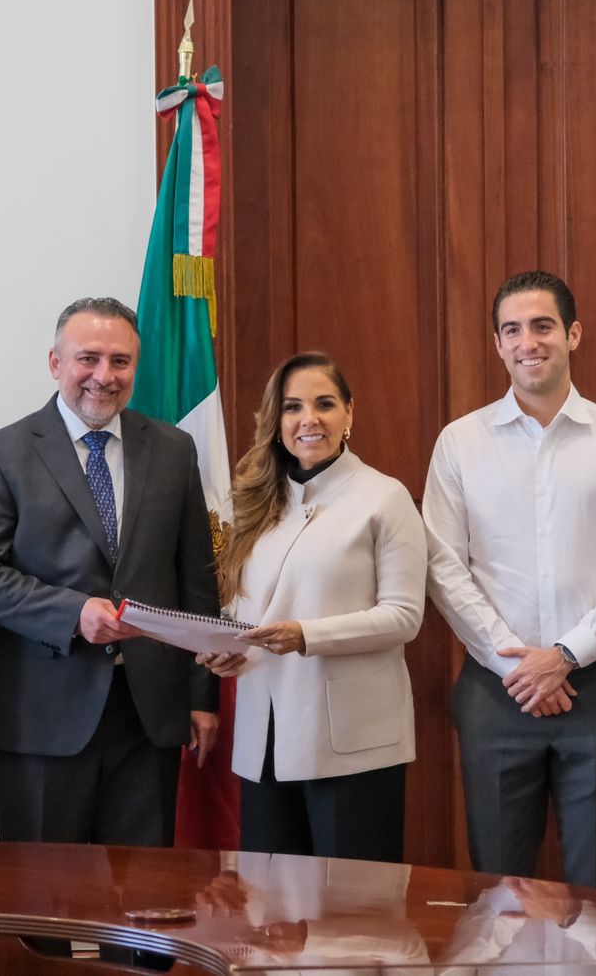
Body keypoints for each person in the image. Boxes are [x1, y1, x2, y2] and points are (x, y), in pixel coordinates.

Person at [423, 271, 596, 888]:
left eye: (543, 326)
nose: (528, 341)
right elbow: (444, 566)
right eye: (512, 329)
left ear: (573, 334)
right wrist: (518, 667)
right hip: (494, 693)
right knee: (501, 891)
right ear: (498, 344)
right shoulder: (460, 443)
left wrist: (564, 656)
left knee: (595, 886)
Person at [0, 296, 220, 846]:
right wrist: (74, 613)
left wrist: (200, 694)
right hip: (42, 717)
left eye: (120, 361)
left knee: (141, 906)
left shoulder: (173, 450)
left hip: (149, 716)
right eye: (88, 358)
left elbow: (196, 577)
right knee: (42, 899)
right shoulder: (1, 454)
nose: (104, 376)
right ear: (55, 362)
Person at [197, 352, 426, 861]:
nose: (309, 419)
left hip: (351, 744)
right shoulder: (255, 505)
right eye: (293, 407)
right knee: (272, 915)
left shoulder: (384, 498)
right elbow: (244, 613)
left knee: (352, 920)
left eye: (324, 404)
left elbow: (405, 616)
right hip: (265, 740)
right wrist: (224, 649)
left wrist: (307, 635)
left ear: (350, 413)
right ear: (275, 423)